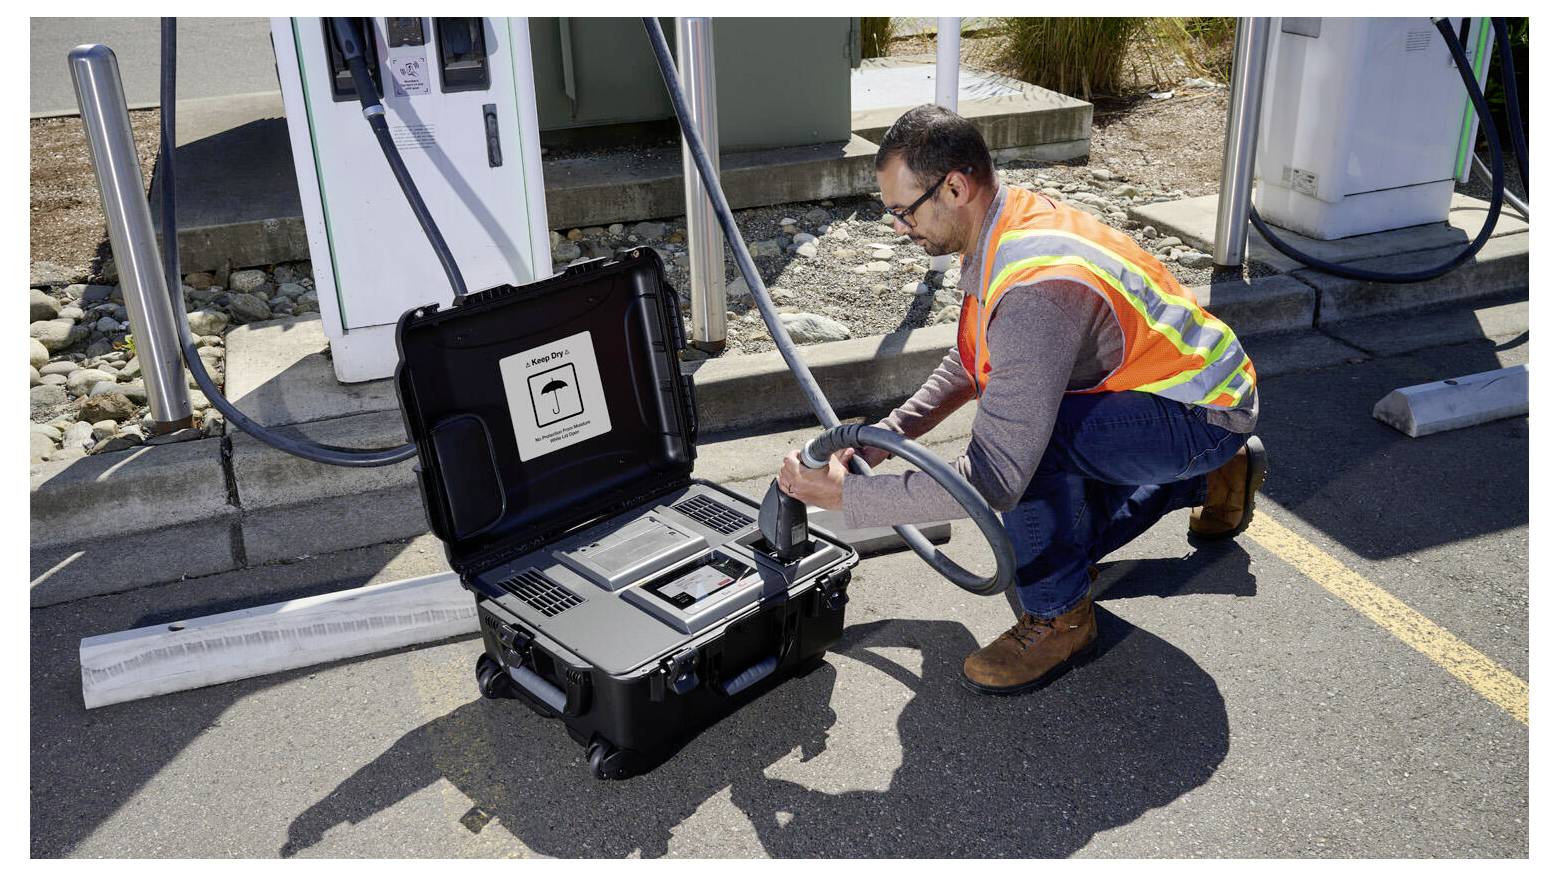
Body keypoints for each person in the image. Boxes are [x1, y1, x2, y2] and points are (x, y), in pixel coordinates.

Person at [775, 104, 1268, 696]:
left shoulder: (1036, 290)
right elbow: (976, 355)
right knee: (1038, 530)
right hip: (1178, 390)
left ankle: (1060, 617)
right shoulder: (1006, 221)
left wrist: (848, 496)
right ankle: (1208, 481)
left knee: (1029, 495)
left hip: (1199, 414)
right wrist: (886, 440)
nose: (899, 229)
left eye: (903, 211)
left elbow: (994, 479)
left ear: (954, 186)